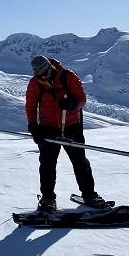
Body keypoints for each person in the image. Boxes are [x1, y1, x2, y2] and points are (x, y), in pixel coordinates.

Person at [25, 55, 105, 212]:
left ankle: (90, 195)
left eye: (46, 73)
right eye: (40, 75)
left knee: (80, 161)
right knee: (47, 164)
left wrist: (73, 104)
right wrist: (33, 126)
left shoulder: (68, 76)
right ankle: (48, 198)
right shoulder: (35, 84)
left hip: (71, 126)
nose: (44, 77)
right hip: (47, 128)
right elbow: (30, 106)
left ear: (51, 68)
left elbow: (82, 99)